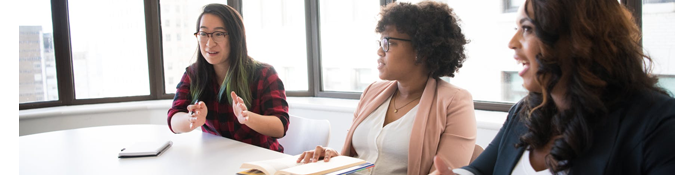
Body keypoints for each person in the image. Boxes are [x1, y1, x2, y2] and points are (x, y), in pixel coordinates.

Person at [431, 0, 675, 174]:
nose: (512, 43)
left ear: (579, 37)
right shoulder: (525, 112)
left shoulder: (657, 123)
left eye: (526, 29)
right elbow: (481, 170)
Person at [296, 1, 477, 175]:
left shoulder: (455, 101)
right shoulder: (372, 92)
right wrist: (333, 158)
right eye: (380, 42)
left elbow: (445, 173)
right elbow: (357, 157)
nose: (379, 51)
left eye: (388, 42)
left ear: (421, 51)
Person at [167, 4, 290, 153]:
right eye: (204, 34)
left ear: (235, 37)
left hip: (259, 163)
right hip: (216, 161)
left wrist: (247, 117)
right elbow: (174, 120)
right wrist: (191, 119)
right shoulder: (193, 74)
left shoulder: (264, 74)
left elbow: (280, 127)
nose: (209, 43)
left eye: (218, 34)